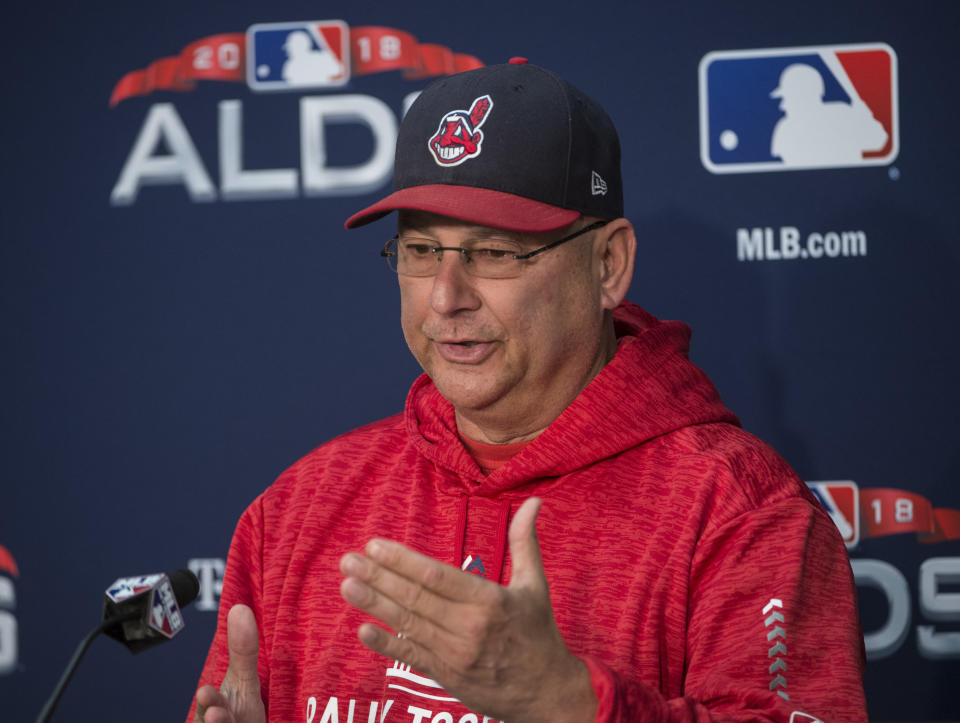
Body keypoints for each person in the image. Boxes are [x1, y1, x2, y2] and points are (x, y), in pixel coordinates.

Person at [190, 59, 867, 722]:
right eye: (422, 251)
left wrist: (570, 704)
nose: (445, 297)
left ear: (608, 264)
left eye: (494, 251)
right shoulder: (296, 510)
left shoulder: (740, 510)